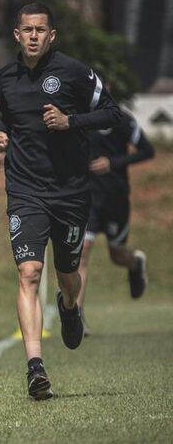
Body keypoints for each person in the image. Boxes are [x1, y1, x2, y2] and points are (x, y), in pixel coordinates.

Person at [0, 3, 123, 400]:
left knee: (67, 274)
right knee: (29, 272)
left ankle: (69, 307)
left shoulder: (75, 72)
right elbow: (9, 118)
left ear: (52, 36)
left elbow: (113, 113)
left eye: (40, 30)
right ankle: (35, 368)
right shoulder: (6, 78)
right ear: (17, 35)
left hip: (69, 192)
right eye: (27, 30)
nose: (33, 36)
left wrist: (71, 122)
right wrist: (0, 134)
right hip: (25, 190)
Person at [77, 109, 154, 334]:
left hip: (116, 198)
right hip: (88, 196)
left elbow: (147, 151)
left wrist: (114, 162)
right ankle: (77, 318)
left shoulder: (123, 120)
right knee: (82, 252)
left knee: (117, 254)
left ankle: (135, 263)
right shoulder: (79, 119)